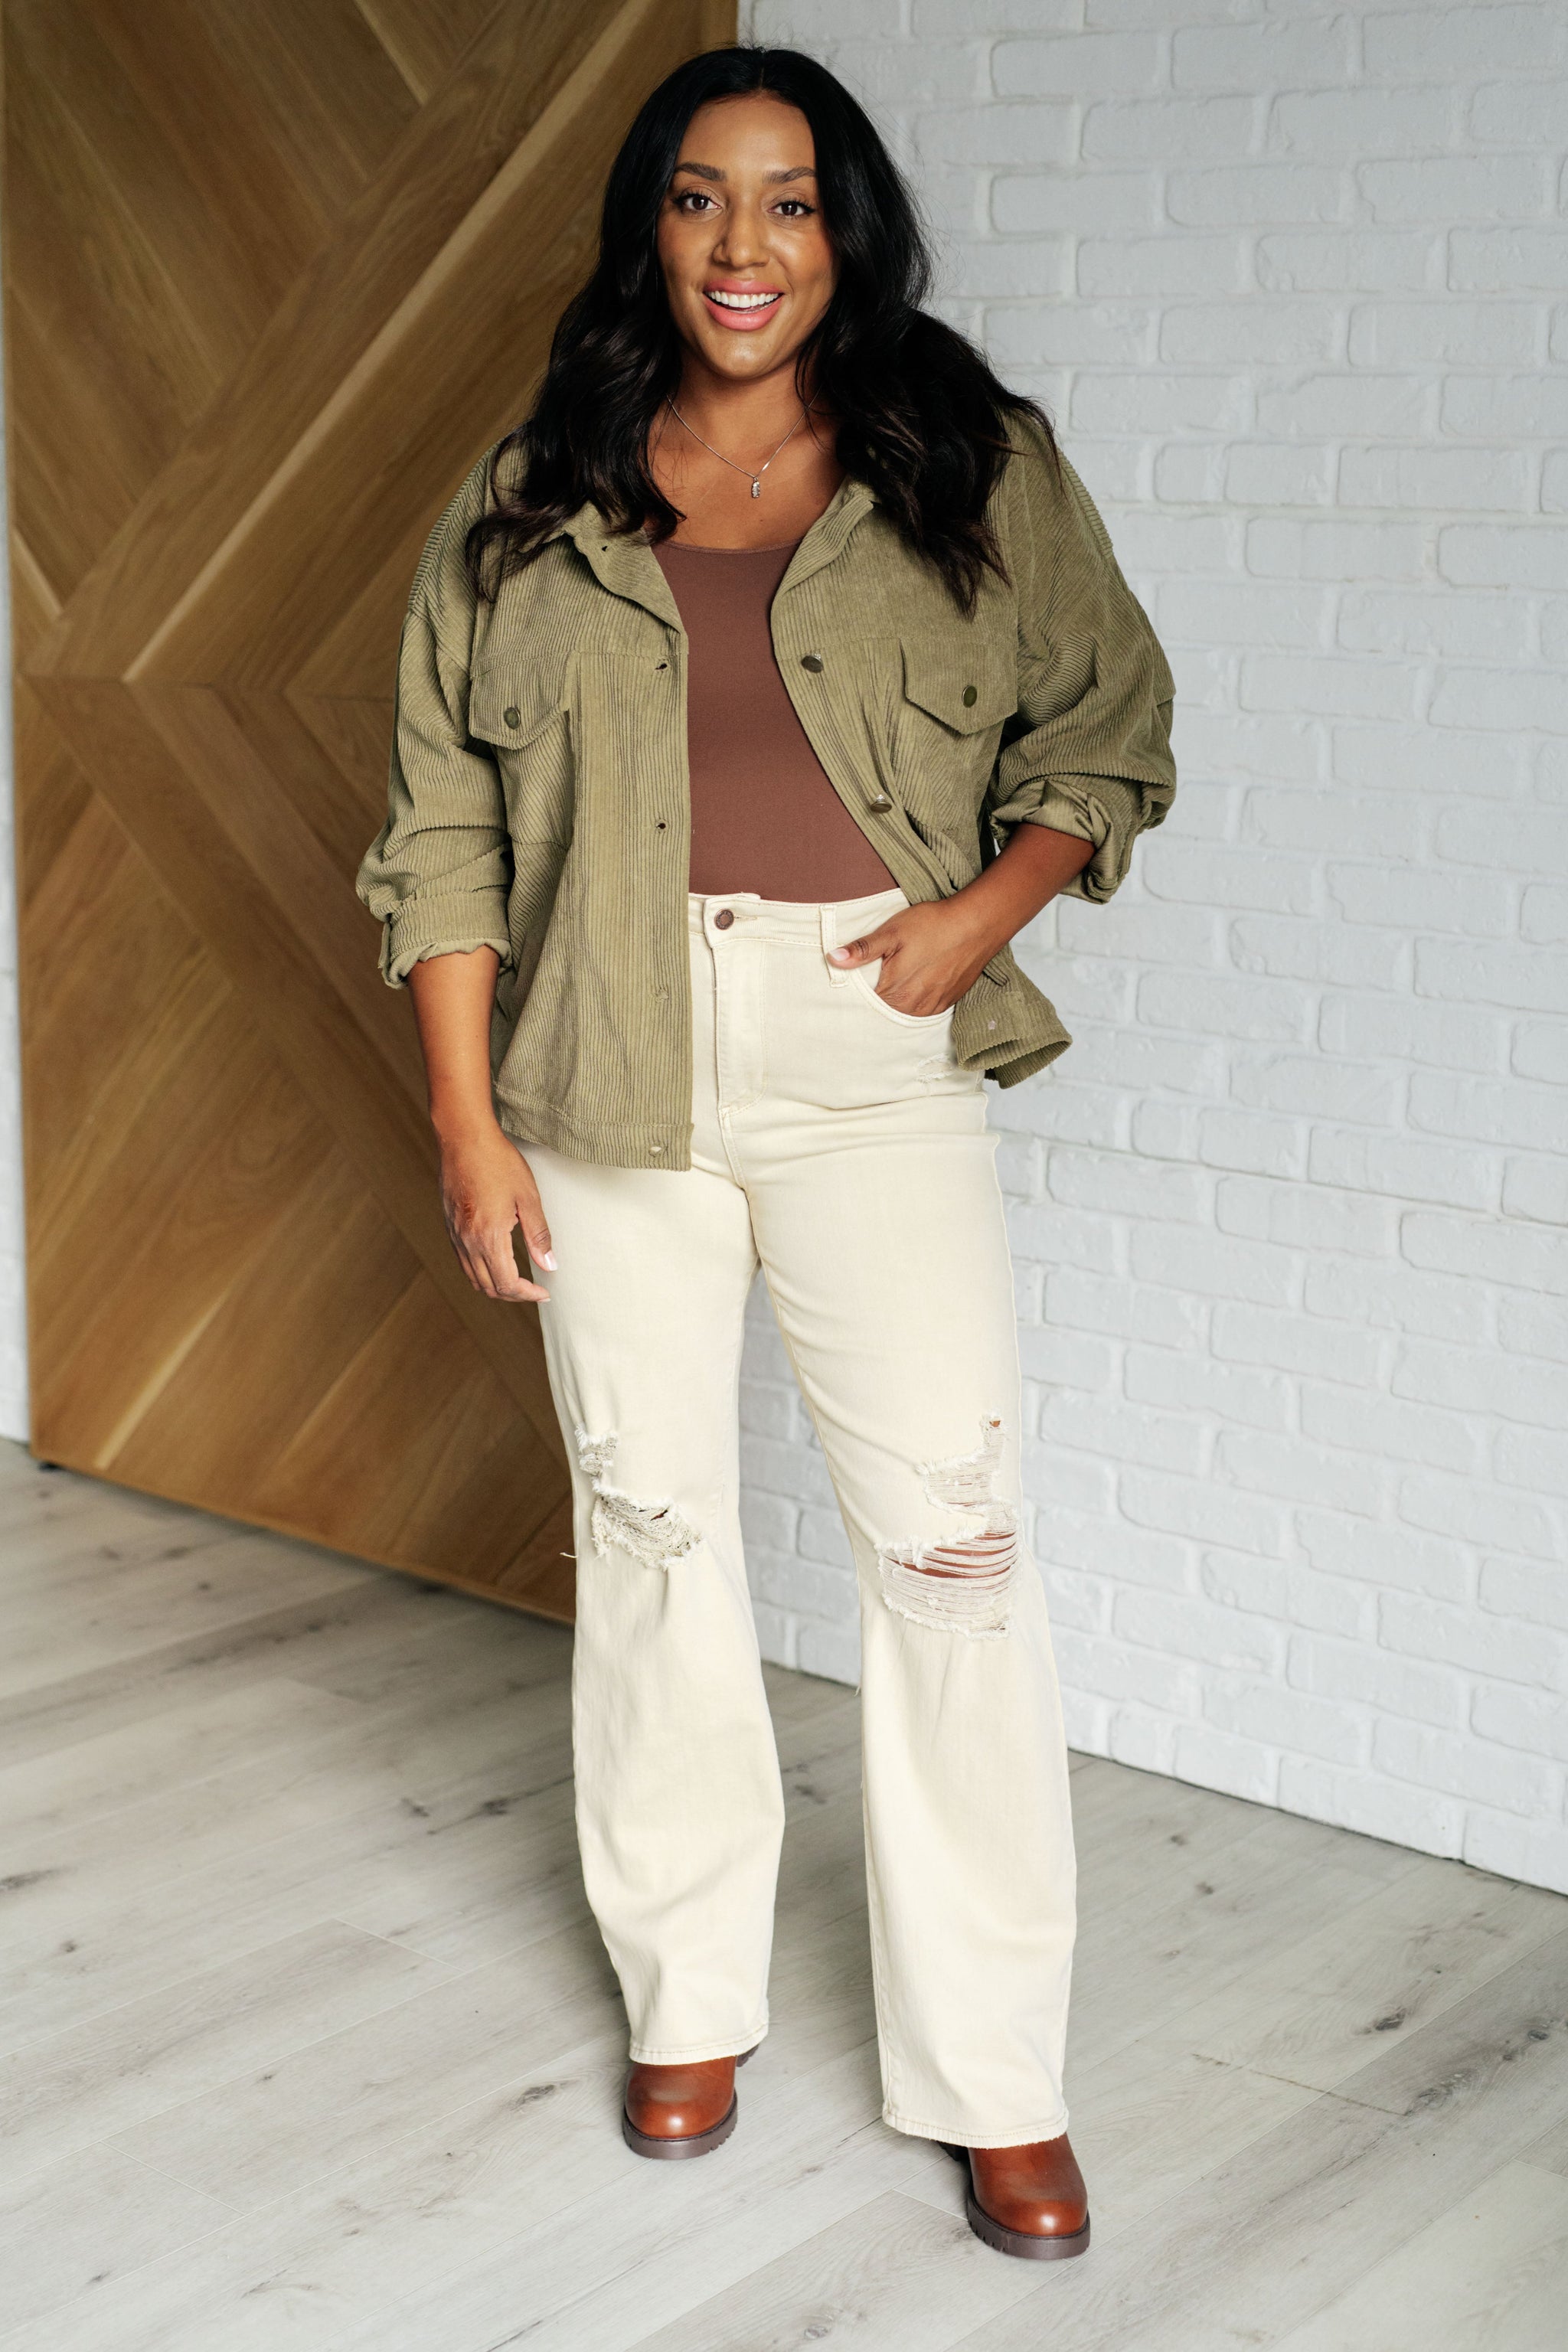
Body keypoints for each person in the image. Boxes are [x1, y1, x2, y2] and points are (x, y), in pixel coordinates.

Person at [356, 44, 1174, 2263]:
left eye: (791, 201)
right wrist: (466, 1124)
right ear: (650, 225)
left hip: (864, 1041)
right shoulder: (532, 492)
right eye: (702, 197)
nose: (745, 245)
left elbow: (1110, 728)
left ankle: (996, 2075)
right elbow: (441, 831)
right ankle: (687, 1995)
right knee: (652, 1539)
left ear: (846, 231)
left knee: (955, 1556)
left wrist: (976, 922)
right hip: (602, 1061)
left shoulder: (970, 461)